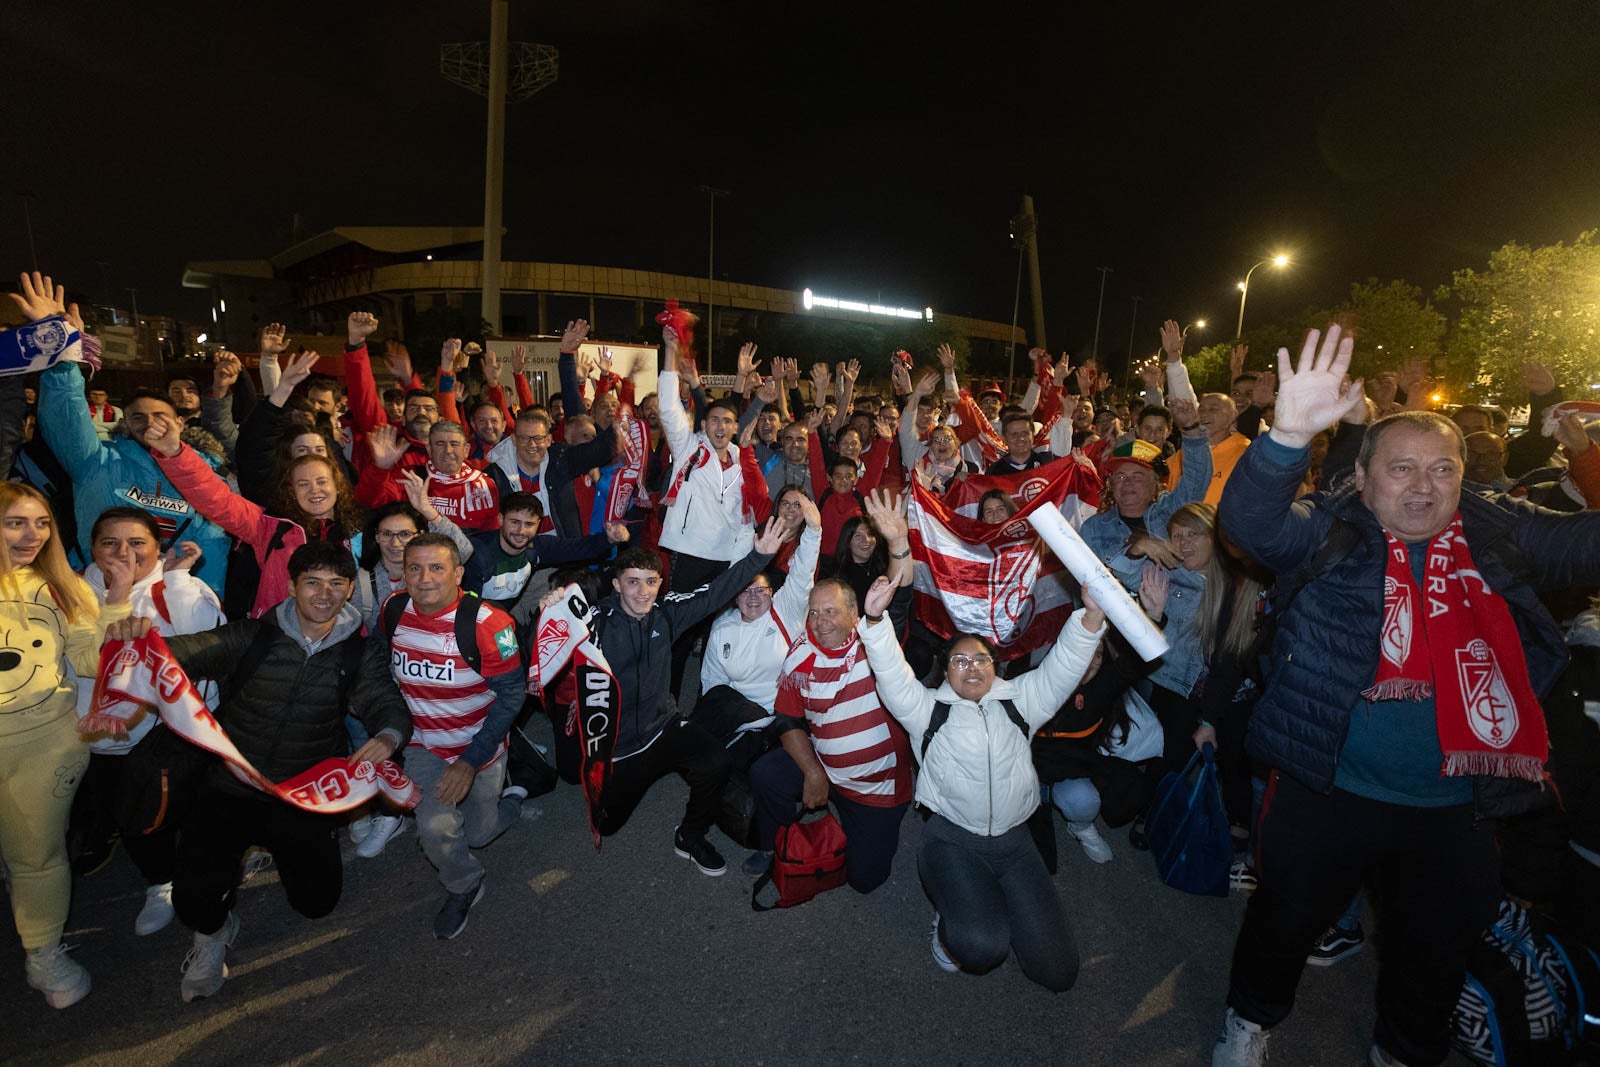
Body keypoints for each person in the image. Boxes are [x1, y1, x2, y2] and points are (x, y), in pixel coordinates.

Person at [1210, 325, 1600, 1067]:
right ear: (1362, 479)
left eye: (1441, 468)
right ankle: (1251, 1016)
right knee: (1283, 921)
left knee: (1435, 949)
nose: (1423, 485)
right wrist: (1286, 436)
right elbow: (1250, 524)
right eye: (1401, 469)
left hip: (1455, 804)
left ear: (1463, 478)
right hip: (1325, 786)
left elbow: (1588, 540)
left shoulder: (1499, 530)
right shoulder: (1331, 528)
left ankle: (1404, 1048)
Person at [103, 542, 411, 1002]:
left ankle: (267, 851)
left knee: (317, 904)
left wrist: (388, 735)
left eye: (336, 584)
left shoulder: (358, 654)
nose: (324, 594)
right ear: (290, 586)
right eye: (312, 582)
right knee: (194, 900)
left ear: (349, 590)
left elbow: (388, 703)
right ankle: (214, 933)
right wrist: (134, 637)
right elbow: (176, 653)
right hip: (228, 788)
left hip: (299, 795)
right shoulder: (251, 636)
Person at [858, 573, 1106, 989]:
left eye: (980, 660)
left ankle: (983, 899)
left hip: (1016, 843)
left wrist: (1091, 616)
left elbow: (1063, 665)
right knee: (979, 947)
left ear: (996, 667)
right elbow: (892, 674)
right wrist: (876, 620)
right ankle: (953, 915)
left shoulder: (1021, 700)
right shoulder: (927, 711)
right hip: (954, 843)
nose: (970, 667)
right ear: (946, 670)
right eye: (959, 661)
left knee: (1058, 973)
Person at [537, 518, 792, 876]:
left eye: (651, 582)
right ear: (616, 585)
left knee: (715, 761)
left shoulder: (667, 615)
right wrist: (550, 609)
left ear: (661, 584)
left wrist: (758, 557)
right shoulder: (595, 622)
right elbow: (544, 654)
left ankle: (689, 835)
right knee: (608, 824)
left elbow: (716, 592)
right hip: (620, 745)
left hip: (664, 725)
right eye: (633, 582)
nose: (643, 592)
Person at [0, 484, 130, 1008]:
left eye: (41, 523)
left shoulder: (63, 587)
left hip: (45, 745)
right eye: (15, 522)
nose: (32, 534)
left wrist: (114, 600)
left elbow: (92, 664)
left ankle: (43, 953)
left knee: (37, 857)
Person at [748, 494, 916, 892]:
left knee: (865, 880)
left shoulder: (874, 641)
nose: (820, 622)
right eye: (814, 612)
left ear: (855, 615)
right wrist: (811, 770)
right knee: (766, 773)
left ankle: (857, 824)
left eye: (832, 611)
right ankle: (775, 844)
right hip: (825, 764)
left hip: (876, 787)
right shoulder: (801, 651)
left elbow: (902, 596)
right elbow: (787, 717)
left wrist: (898, 545)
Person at [26, 271, 232, 592]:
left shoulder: (205, 475)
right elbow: (65, 416)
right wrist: (63, 356)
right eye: (138, 417)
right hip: (93, 595)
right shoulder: (97, 461)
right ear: (124, 422)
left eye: (160, 416)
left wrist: (205, 607)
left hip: (172, 606)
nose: (150, 423)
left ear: (180, 424)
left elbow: (215, 544)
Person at [70, 509, 225, 934]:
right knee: (136, 822)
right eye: (110, 543)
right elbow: (77, 663)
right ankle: (160, 884)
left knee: (191, 814)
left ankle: (203, 883)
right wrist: (115, 596)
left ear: (157, 547)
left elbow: (210, 651)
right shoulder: (70, 594)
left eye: (137, 542)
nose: (124, 552)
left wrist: (176, 582)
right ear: (91, 548)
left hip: (171, 734)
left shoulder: (181, 586)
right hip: (104, 740)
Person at [383, 534, 525, 939]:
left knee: (480, 833)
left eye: (437, 567)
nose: (425, 578)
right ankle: (464, 885)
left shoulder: (490, 625)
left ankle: (511, 800)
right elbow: (379, 671)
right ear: (403, 573)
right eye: (415, 568)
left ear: (458, 573)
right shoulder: (393, 610)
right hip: (425, 746)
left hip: (479, 747)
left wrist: (470, 761)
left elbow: (512, 695)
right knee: (436, 827)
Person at [696, 497, 823, 768]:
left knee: (749, 768)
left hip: (783, 714)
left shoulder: (784, 611)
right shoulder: (723, 626)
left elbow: (802, 574)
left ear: (772, 593)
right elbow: (712, 682)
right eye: (745, 591)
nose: (753, 598)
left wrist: (813, 533)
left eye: (761, 591)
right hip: (739, 712)